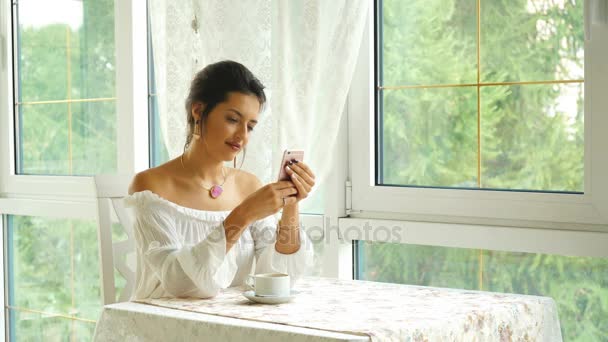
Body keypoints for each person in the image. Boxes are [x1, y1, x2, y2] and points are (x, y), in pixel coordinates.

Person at [125, 60, 315, 299]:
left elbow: (279, 274)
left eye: (251, 126)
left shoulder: (248, 186)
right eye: (233, 120)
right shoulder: (150, 187)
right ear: (198, 110)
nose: (242, 136)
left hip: (230, 324)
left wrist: (291, 205)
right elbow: (182, 285)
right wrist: (242, 214)